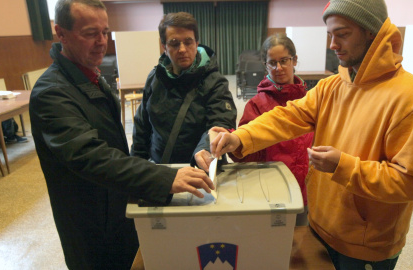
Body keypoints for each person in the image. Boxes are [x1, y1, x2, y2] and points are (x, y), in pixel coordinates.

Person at [211, 0, 413, 269]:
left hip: (365, 246)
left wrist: (343, 166)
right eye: (330, 35)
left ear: (372, 33)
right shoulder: (332, 85)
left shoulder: (412, 99)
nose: (332, 44)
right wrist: (241, 137)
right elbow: (287, 116)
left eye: (342, 34)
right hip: (319, 227)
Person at [29, 1, 214, 269]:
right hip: (89, 221)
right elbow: (90, 155)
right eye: (91, 33)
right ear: (61, 34)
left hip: (115, 206)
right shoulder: (52, 92)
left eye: (105, 32)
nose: (102, 42)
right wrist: (164, 176)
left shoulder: (90, 77)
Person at [217, 33, 313, 225]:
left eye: (284, 61)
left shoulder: (310, 102)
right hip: (271, 191)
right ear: (265, 65)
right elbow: (247, 156)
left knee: (301, 244)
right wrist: (235, 145)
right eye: (272, 63)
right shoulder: (256, 104)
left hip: (307, 191)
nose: (278, 68)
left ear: (294, 60)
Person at [131, 12, 236, 169]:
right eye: (174, 43)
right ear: (164, 47)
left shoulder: (214, 81)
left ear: (197, 43)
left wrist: (205, 149)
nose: (182, 49)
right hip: (162, 171)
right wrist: (136, 164)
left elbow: (221, 122)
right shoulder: (155, 78)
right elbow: (142, 126)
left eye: (188, 42)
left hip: (199, 170)